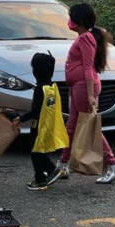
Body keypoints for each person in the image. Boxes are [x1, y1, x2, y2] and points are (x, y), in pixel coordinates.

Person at [54, 3, 115, 184]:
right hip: (78, 86)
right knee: (72, 126)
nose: (69, 21)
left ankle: (113, 165)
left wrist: (91, 95)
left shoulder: (85, 38)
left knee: (90, 127)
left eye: (71, 17)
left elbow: (87, 67)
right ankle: (63, 164)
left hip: (83, 88)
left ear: (78, 21)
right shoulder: (85, 37)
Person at [15, 52, 68, 191]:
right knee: (40, 151)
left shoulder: (40, 89)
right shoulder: (52, 87)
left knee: (35, 153)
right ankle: (52, 170)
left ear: (36, 71)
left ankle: (40, 179)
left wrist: (21, 118)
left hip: (38, 126)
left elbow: (36, 111)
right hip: (48, 125)